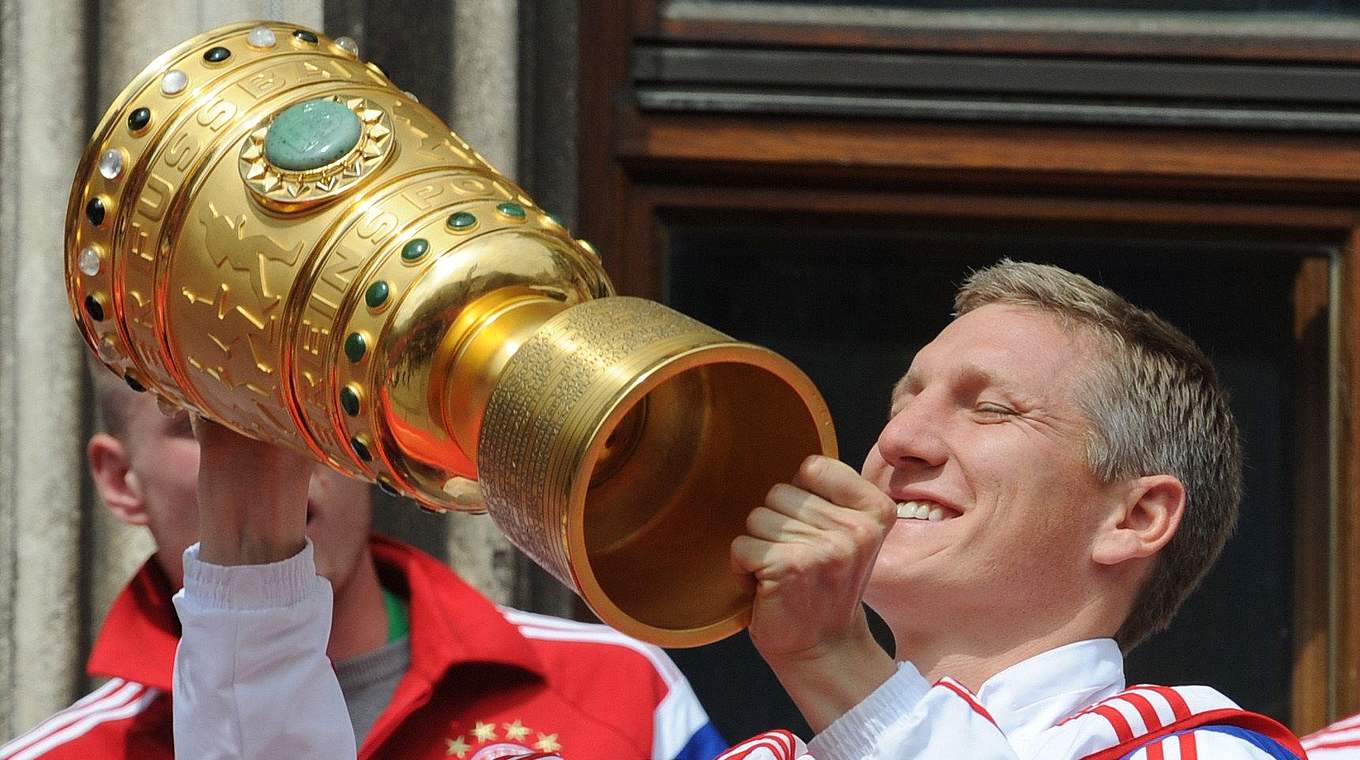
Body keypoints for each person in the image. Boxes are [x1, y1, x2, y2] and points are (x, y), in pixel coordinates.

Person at [716, 260, 1307, 759]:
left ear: (1136, 518)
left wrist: (834, 661)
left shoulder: (1208, 749)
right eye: (903, 402)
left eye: (993, 409)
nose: (898, 440)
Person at [0, 370, 724, 760]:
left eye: (305, 407)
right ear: (121, 480)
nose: (277, 449)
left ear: (364, 442)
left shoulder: (620, 683)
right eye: (204, 423)